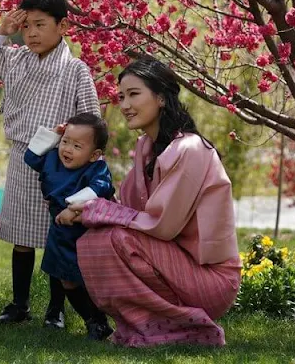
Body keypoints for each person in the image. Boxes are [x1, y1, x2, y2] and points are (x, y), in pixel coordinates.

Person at [68, 58, 242, 347]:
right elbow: (131, 212)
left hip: (212, 280)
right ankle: (148, 325)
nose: (124, 105)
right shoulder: (145, 148)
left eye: (134, 94)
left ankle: (186, 329)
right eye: (121, 96)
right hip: (177, 265)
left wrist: (99, 209)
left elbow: (161, 226)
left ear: (161, 97)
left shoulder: (190, 149)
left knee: (114, 237)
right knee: (94, 239)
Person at [0, 0, 100, 327]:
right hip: (22, 155)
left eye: (40, 25)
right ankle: (19, 305)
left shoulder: (76, 70)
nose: (32, 34)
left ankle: (55, 309)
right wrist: (1, 30)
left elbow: (91, 119)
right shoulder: (14, 58)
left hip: (62, 162)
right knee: (23, 238)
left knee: (57, 235)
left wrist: (72, 142)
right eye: (26, 26)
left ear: (63, 27)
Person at [23, 113, 114, 339]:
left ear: (94, 154)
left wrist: (73, 208)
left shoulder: (96, 169)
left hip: (86, 227)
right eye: (65, 141)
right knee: (66, 278)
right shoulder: (53, 158)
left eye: (76, 145)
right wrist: (53, 136)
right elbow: (30, 156)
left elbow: (100, 188)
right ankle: (92, 321)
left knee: (88, 279)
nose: (67, 149)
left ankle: (100, 318)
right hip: (60, 228)